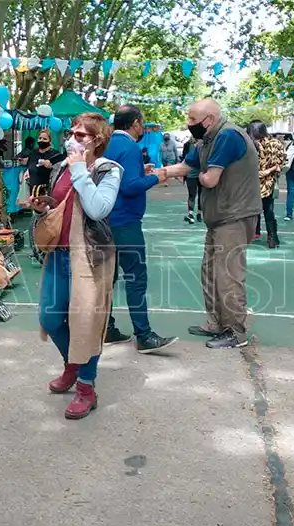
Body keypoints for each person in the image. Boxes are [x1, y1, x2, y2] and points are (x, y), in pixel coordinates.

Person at [29, 112, 121, 420]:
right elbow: (62, 204)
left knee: (87, 326)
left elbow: (97, 208)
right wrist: (46, 208)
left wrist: (80, 168)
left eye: (81, 135)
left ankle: (86, 387)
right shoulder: (59, 167)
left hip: (91, 258)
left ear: (98, 140)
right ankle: (73, 363)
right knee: (51, 318)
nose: (72, 138)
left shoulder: (109, 170)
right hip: (60, 253)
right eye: (71, 132)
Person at [160, 99, 261, 349]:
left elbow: (210, 179)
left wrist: (203, 176)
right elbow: (186, 166)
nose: (189, 124)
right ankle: (216, 322)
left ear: (210, 120)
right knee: (210, 272)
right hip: (219, 217)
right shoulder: (206, 140)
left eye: (193, 120)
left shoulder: (228, 136)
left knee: (228, 274)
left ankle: (236, 332)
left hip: (234, 216)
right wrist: (157, 173)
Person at [102, 104, 177, 353]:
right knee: (135, 278)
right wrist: (157, 177)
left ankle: (106, 328)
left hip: (103, 221)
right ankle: (143, 334)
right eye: (141, 122)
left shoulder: (107, 145)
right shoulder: (131, 147)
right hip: (125, 222)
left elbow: (117, 178)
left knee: (107, 280)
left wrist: (140, 172)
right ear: (135, 123)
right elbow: (130, 187)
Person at [24, 130, 67, 263]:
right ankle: (37, 248)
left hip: (47, 191)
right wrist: (27, 173)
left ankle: (48, 247)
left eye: (44, 138)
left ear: (50, 140)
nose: (41, 140)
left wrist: (51, 166)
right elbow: (29, 167)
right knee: (34, 219)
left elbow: (60, 171)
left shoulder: (56, 155)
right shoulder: (34, 153)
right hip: (33, 190)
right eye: (40, 138)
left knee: (47, 219)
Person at [247, 120, 285, 248]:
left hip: (253, 182)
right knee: (268, 210)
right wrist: (271, 170)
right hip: (267, 183)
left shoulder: (248, 145)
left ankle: (255, 233)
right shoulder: (276, 143)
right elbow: (281, 164)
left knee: (254, 210)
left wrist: (264, 171)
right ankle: (272, 237)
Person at [182, 138, 201, 223]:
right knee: (192, 194)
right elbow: (183, 160)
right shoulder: (187, 146)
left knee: (201, 195)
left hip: (201, 174)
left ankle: (199, 213)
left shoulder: (205, 145)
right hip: (190, 175)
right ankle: (190, 213)